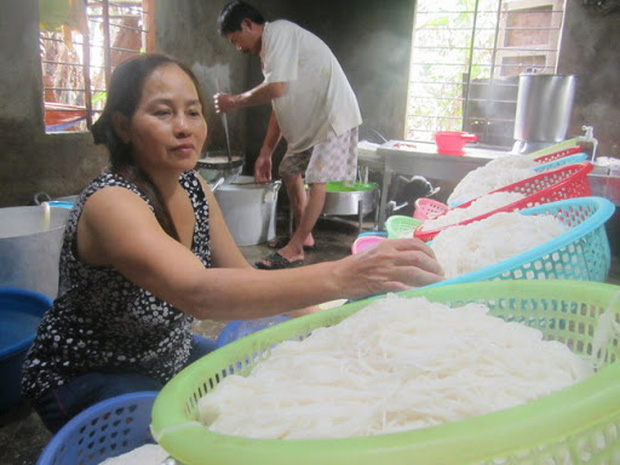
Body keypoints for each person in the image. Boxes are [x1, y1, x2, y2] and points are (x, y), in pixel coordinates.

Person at [21, 53, 443, 433]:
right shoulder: (111, 202)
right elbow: (200, 293)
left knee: (265, 386)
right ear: (123, 126)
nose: (184, 127)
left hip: (166, 353)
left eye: (193, 112)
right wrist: (345, 276)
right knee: (192, 438)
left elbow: (240, 277)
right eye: (163, 113)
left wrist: (326, 322)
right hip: (86, 374)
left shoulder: (194, 187)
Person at [214, 1, 363, 269]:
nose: (238, 48)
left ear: (248, 24)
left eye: (236, 40)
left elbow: (276, 89)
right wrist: (266, 152)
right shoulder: (269, 55)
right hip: (310, 125)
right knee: (289, 169)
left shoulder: (280, 33)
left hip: (332, 117)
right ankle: (303, 237)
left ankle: (294, 248)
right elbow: (279, 105)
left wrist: (234, 101)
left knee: (318, 180)